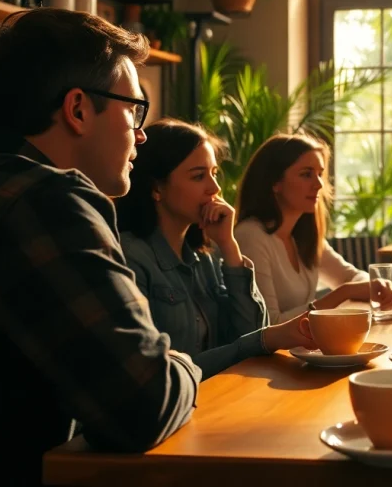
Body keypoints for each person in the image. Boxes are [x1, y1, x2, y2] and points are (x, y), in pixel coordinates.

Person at [0, 9, 198, 486]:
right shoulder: (48, 203)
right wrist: (184, 364)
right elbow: (145, 405)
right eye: (134, 110)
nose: (142, 133)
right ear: (78, 109)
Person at [115, 119, 315, 378]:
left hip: (219, 398)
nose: (215, 188)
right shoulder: (131, 258)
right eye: (199, 176)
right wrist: (263, 340)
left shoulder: (204, 256)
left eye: (214, 173)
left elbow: (251, 335)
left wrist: (229, 246)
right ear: (156, 188)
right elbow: (162, 373)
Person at [234, 134, 392, 323]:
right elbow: (270, 325)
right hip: (273, 353)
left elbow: (350, 276)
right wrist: (344, 293)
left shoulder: (301, 236)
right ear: (275, 183)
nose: (319, 184)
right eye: (306, 174)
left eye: (320, 174)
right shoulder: (251, 236)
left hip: (305, 349)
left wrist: (379, 286)